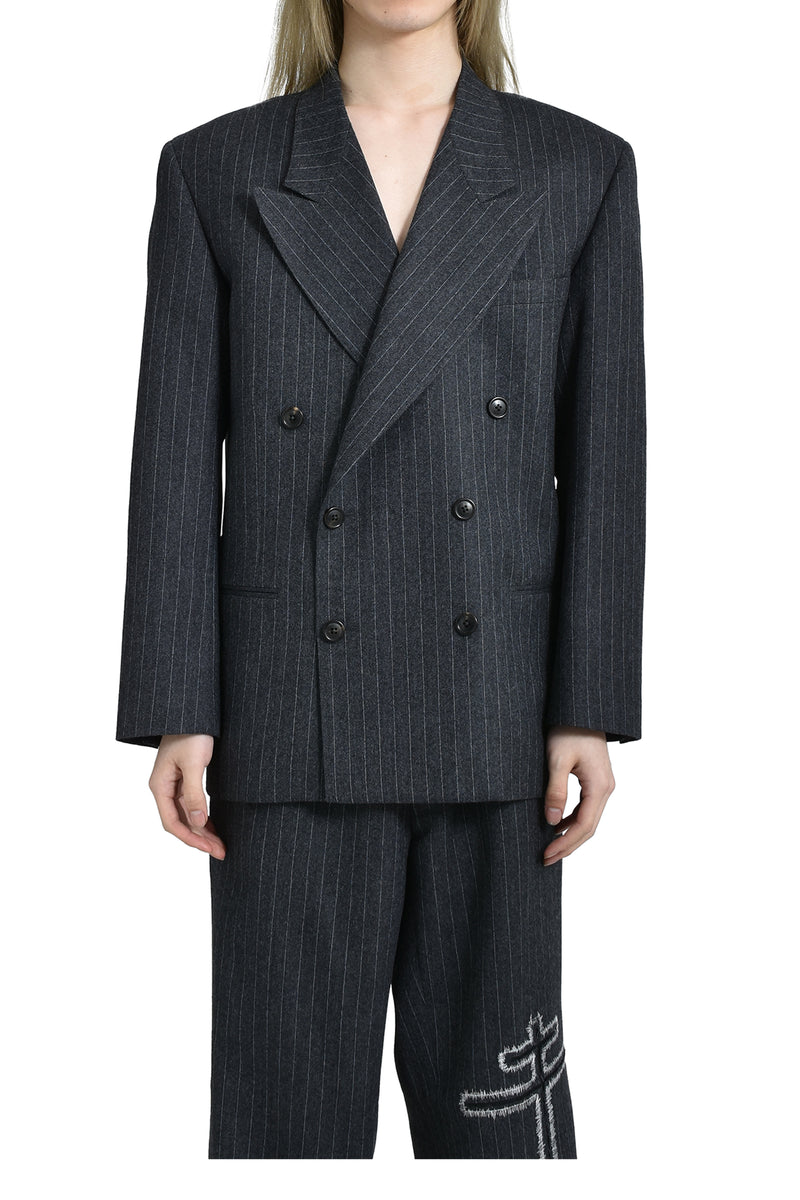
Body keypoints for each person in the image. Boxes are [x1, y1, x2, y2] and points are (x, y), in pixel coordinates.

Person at [115, 0, 646, 1160]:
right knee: (283, 1139)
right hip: (287, 716)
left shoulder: (577, 168)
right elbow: (175, 460)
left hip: (497, 716)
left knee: (504, 1142)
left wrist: (587, 703)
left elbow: (605, 453)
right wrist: (176, 705)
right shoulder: (216, 170)